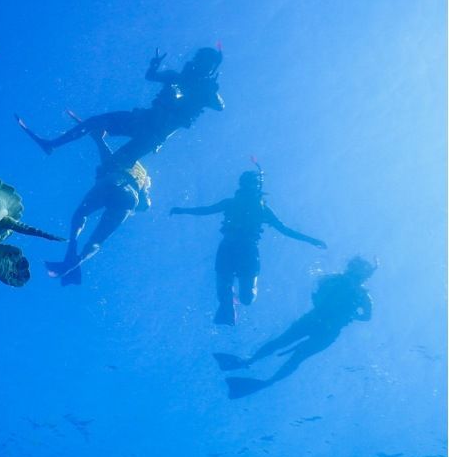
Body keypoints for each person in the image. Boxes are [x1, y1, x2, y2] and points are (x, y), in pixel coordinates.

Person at [16, 47, 224, 171]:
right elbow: (151, 76)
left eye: (204, 61)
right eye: (198, 58)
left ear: (210, 68)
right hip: (143, 120)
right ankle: (52, 144)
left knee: (112, 167)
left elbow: (219, 106)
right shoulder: (177, 77)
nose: (197, 62)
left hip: (154, 135)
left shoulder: (205, 89)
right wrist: (153, 65)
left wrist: (211, 89)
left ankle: (91, 145)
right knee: (94, 121)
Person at [169, 165, 327, 325]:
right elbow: (206, 210)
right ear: (241, 185)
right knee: (223, 294)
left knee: (247, 299)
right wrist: (183, 210)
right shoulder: (231, 203)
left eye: (252, 184)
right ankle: (228, 299)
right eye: (246, 184)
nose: (249, 187)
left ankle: (233, 297)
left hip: (248, 251)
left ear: (258, 186)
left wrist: (311, 240)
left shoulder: (263, 209)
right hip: (227, 248)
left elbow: (284, 229)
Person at [213, 256, 376, 398]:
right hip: (325, 328)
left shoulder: (340, 283)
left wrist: (341, 312)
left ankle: (252, 365)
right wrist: (349, 315)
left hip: (316, 323)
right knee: (292, 351)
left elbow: (317, 293)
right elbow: (365, 316)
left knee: (289, 348)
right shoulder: (360, 294)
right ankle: (258, 371)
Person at [44, 111, 152, 285]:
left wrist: (98, 137)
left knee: (81, 214)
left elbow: (107, 157)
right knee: (97, 240)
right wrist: (97, 137)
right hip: (129, 198)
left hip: (114, 181)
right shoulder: (143, 176)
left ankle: (72, 248)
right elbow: (145, 206)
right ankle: (76, 263)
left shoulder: (125, 158)